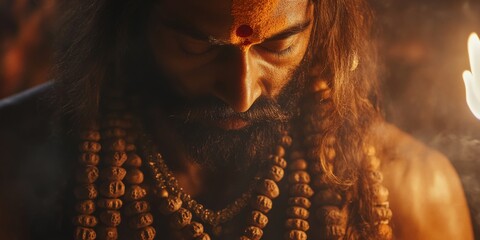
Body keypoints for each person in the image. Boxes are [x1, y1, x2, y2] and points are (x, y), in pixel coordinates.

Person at [0, 0, 474, 239]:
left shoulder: (408, 190)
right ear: (129, 22)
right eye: (197, 46)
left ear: (323, 27)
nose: (242, 93)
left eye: (279, 46)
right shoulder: (13, 161)